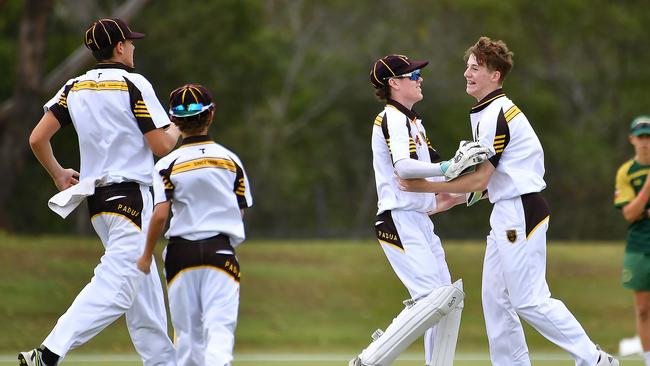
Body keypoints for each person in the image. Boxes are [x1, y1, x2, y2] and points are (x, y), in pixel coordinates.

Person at [399, 37, 619, 366]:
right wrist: (451, 198)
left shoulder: (496, 114)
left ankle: (595, 360)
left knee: (529, 299)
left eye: (475, 68)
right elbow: (491, 182)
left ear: (495, 75)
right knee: (495, 302)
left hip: (520, 212)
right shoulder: (485, 112)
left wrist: (425, 186)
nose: (467, 73)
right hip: (506, 212)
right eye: (467, 67)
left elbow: (482, 179)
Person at [20, 18, 180, 366]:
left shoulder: (73, 86)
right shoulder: (133, 83)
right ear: (120, 47)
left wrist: (59, 174)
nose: (134, 47)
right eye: (131, 43)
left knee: (145, 292)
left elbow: (37, 138)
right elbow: (161, 146)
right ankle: (48, 353)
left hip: (98, 204)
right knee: (118, 286)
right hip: (132, 200)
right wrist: (179, 124)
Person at [352, 54, 485, 366]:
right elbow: (405, 168)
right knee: (431, 301)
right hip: (399, 221)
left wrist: (477, 187)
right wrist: (450, 165)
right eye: (412, 75)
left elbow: (439, 185)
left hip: (420, 222)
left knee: (449, 303)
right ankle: (369, 360)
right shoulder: (391, 118)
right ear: (394, 83)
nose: (419, 78)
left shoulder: (413, 122)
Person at [137, 83, 252, 366]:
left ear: (174, 120)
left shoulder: (167, 164)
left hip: (180, 255)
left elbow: (161, 215)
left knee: (188, 336)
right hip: (220, 252)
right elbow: (240, 210)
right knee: (219, 330)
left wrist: (145, 255)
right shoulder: (230, 161)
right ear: (211, 115)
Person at [614, 115, 650, 366]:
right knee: (643, 309)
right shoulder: (626, 172)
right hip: (639, 245)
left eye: (648, 137)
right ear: (632, 140)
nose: (645, 142)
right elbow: (629, 213)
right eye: (640, 137)